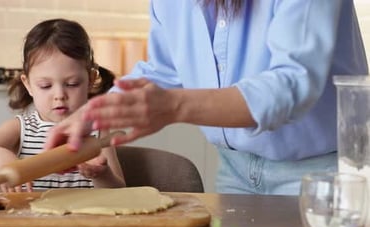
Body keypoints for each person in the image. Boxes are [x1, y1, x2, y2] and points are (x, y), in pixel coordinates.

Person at [45, 0, 369, 195]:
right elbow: (164, 70)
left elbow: (292, 85)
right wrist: (93, 116)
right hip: (234, 170)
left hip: (318, 173)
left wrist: (175, 106)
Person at [0, 18, 125, 192]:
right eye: (45, 86)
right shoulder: (21, 129)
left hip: (83, 218)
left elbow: (120, 192)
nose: (59, 96)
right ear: (28, 85)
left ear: (91, 80)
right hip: (30, 218)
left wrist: (102, 174)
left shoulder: (97, 130)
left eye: (72, 84)